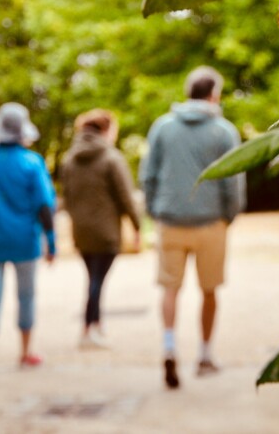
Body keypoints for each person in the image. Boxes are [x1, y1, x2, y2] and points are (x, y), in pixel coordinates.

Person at [139, 66, 246, 389]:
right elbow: (234, 178)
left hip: (170, 220)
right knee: (209, 290)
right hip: (210, 222)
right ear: (214, 94)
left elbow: (148, 175)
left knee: (170, 287)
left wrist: (155, 210)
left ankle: (169, 346)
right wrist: (229, 216)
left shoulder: (162, 127)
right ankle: (205, 355)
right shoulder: (224, 130)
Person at [0, 102, 57, 384]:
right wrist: (51, 242)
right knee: (26, 296)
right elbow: (45, 206)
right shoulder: (32, 163)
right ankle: (26, 351)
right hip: (24, 240)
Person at [61, 108, 141, 349]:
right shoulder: (111, 158)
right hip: (106, 232)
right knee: (97, 280)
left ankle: (95, 324)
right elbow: (126, 197)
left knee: (93, 278)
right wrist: (137, 226)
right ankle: (90, 328)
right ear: (106, 130)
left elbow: (67, 196)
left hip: (81, 231)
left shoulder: (69, 159)